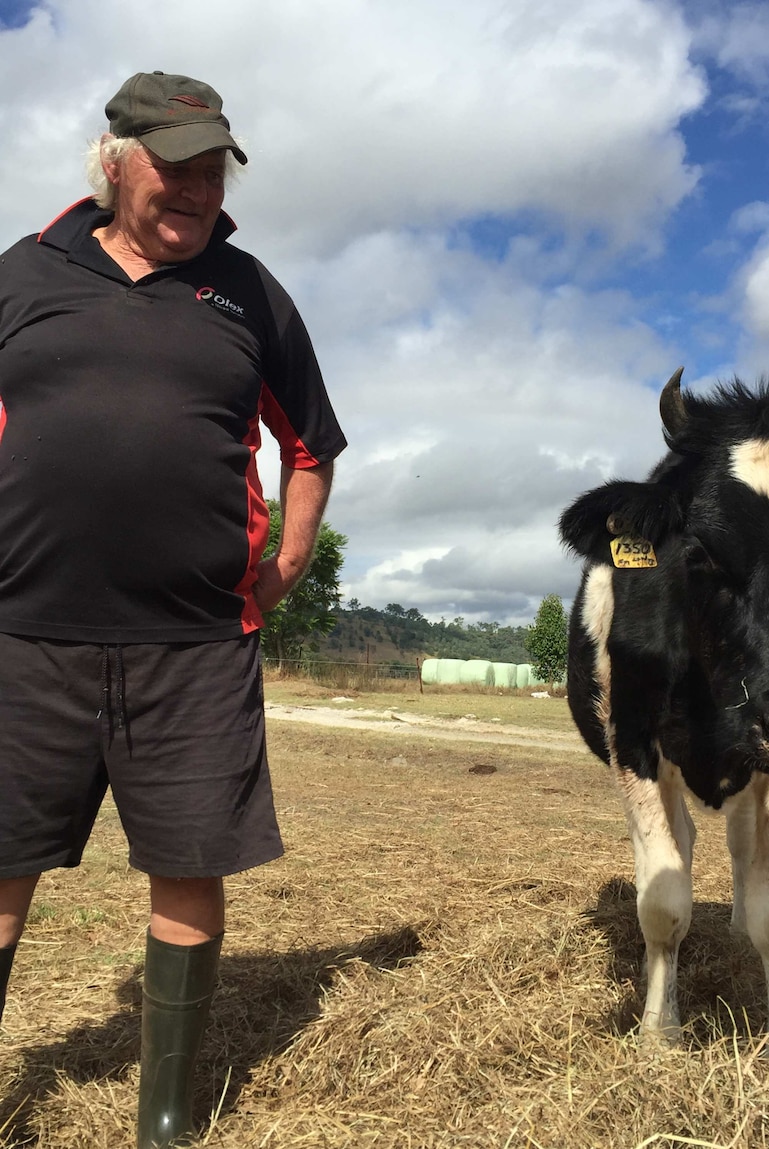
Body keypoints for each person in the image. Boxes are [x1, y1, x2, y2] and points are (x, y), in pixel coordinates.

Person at [0, 71, 346, 1148]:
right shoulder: (23, 274)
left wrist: (285, 562)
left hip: (195, 647)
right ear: (114, 161)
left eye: (212, 169)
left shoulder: (250, 292)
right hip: (22, 638)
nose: (195, 188)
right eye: (174, 165)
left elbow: (310, 446)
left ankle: (165, 1117)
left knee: (187, 865)